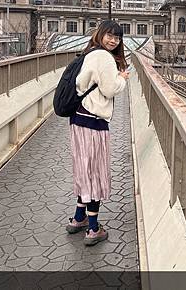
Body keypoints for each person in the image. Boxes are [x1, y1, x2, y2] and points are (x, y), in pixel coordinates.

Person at [65, 20, 130, 246]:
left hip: (78, 120)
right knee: (95, 174)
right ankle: (93, 229)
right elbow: (110, 89)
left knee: (84, 171)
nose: (114, 40)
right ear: (101, 34)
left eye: (118, 37)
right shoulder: (104, 57)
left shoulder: (90, 52)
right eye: (110, 35)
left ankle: (78, 218)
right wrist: (121, 79)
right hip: (93, 123)